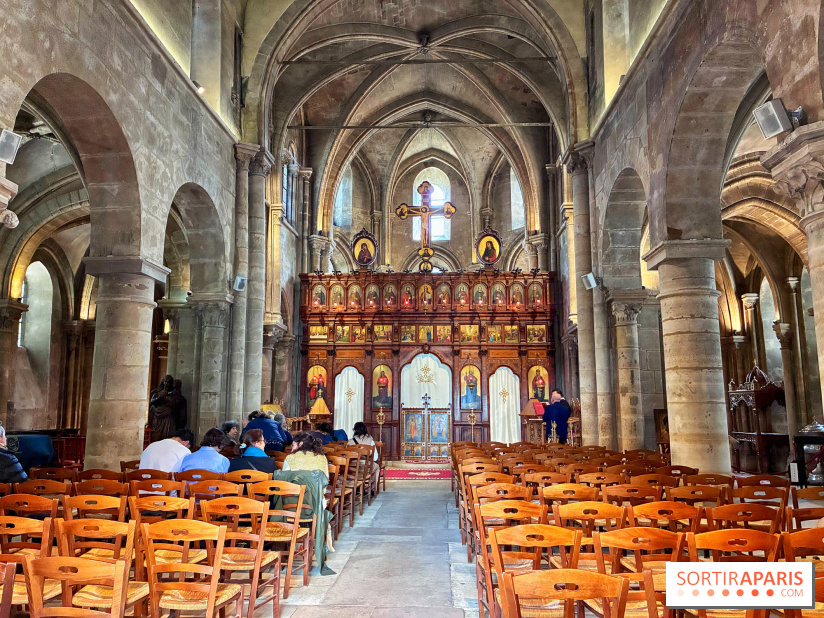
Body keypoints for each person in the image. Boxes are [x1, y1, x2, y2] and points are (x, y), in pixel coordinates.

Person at [349, 422, 379, 492]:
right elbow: (375, 457)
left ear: (355, 430)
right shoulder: (370, 440)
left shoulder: (350, 441)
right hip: (366, 467)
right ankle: (372, 489)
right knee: (377, 467)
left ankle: (354, 487)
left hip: (353, 467)